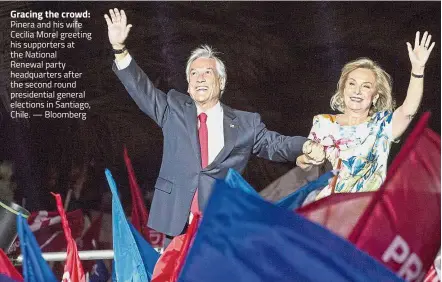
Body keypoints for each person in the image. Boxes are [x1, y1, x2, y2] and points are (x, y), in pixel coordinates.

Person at [103, 8, 322, 239]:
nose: (200, 78)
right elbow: (142, 90)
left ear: (221, 82)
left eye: (207, 72)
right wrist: (120, 50)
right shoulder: (173, 108)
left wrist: (305, 146)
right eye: (194, 74)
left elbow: (275, 144)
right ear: (188, 85)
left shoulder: (246, 123)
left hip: (222, 223)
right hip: (176, 224)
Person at [297, 31, 435, 200]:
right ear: (343, 90)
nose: (357, 91)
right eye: (352, 84)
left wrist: (418, 70)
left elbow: (408, 111)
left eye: (366, 86)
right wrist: (307, 158)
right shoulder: (323, 122)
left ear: (375, 96)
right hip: (327, 210)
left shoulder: (381, 126)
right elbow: (305, 168)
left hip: (365, 212)